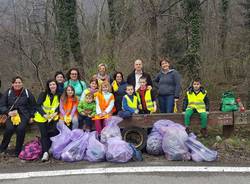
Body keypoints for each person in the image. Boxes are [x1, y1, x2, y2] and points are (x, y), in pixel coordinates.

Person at [0, 76, 36, 157]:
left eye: (19, 82)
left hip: (24, 114)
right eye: (15, 83)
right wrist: (8, 112)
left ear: (22, 83)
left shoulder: (27, 92)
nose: (17, 84)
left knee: (21, 129)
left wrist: (31, 116)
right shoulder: (8, 92)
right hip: (11, 115)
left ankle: (18, 150)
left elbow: (33, 106)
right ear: (12, 84)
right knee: (9, 129)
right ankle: (2, 148)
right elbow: (2, 105)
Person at [33, 79, 60, 161]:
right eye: (50, 85)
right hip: (42, 117)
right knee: (44, 134)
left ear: (56, 85)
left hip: (53, 116)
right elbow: (37, 106)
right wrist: (44, 114)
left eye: (54, 84)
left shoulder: (59, 95)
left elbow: (60, 106)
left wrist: (56, 112)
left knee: (55, 131)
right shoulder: (43, 94)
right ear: (48, 86)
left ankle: (49, 147)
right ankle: (45, 153)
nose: (52, 86)